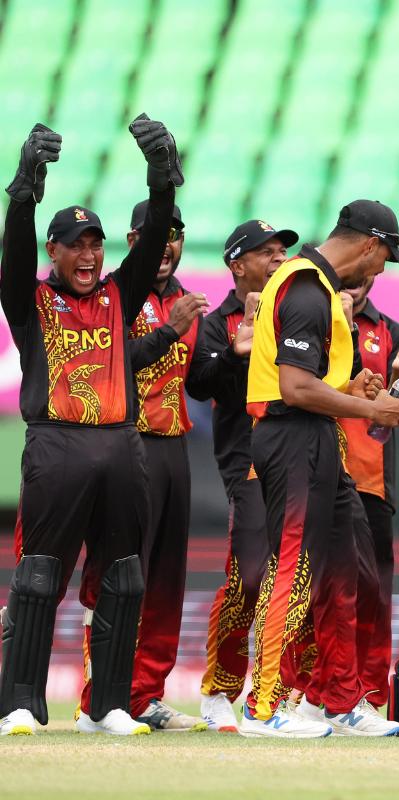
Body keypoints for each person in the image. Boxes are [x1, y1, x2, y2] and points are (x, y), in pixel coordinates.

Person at [0, 115, 182, 736]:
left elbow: (155, 239)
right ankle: (19, 703)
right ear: (54, 251)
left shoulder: (117, 294)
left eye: (96, 243)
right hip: (57, 445)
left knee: (124, 575)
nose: (88, 255)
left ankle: (106, 706)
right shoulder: (30, 301)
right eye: (75, 244)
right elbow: (15, 248)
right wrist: (24, 190)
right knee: (40, 573)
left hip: (121, 445)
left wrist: (162, 182)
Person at [239, 200, 399, 738]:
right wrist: (370, 409)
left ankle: (338, 700)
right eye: (385, 257)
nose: (381, 269)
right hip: (291, 437)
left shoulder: (316, 288)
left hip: (315, 437)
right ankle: (261, 707)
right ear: (368, 244)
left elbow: (311, 380)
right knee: (291, 568)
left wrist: (349, 388)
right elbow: (292, 388)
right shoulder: (309, 289)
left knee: (345, 568)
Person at [187, 219, 298, 732]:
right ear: (238, 265)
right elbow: (199, 382)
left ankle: (282, 697)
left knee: (303, 579)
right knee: (250, 575)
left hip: (298, 456)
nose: (278, 259)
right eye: (267, 252)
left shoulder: (295, 310)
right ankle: (218, 690)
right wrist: (236, 351)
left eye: (282, 252)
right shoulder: (219, 322)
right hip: (247, 462)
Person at [115, 200, 210, 732]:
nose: (167, 245)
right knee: (123, 574)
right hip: (128, 442)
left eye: (176, 234)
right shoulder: (116, 295)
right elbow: (107, 364)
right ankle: (103, 693)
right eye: (156, 235)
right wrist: (171, 331)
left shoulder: (183, 300)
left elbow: (197, 381)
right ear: (134, 242)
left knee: (168, 580)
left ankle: (145, 695)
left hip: (174, 447)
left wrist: (229, 355)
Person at [337, 272, 399, 709]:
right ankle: (303, 695)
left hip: (369, 482)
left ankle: (369, 697)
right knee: (311, 592)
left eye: (362, 276)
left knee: (372, 596)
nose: (355, 283)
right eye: (346, 275)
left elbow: (396, 412)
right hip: (309, 476)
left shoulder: (394, 333)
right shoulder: (304, 320)